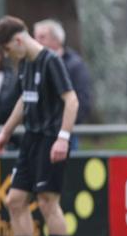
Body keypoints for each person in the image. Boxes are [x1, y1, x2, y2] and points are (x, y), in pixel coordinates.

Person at [0, 15, 78, 236]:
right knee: (14, 200)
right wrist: (5, 132)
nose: (6, 55)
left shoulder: (51, 61)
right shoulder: (25, 63)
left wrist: (63, 138)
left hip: (51, 139)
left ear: (18, 40)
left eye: (7, 49)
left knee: (47, 201)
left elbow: (72, 100)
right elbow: (24, 101)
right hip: (30, 140)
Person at [33, 19, 93, 150]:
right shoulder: (33, 64)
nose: (36, 41)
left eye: (42, 37)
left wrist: (64, 127)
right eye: (35, 37)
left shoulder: (75, 65)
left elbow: (82, 100)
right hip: (39, 133)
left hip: (65, 134)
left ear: (57, 40)